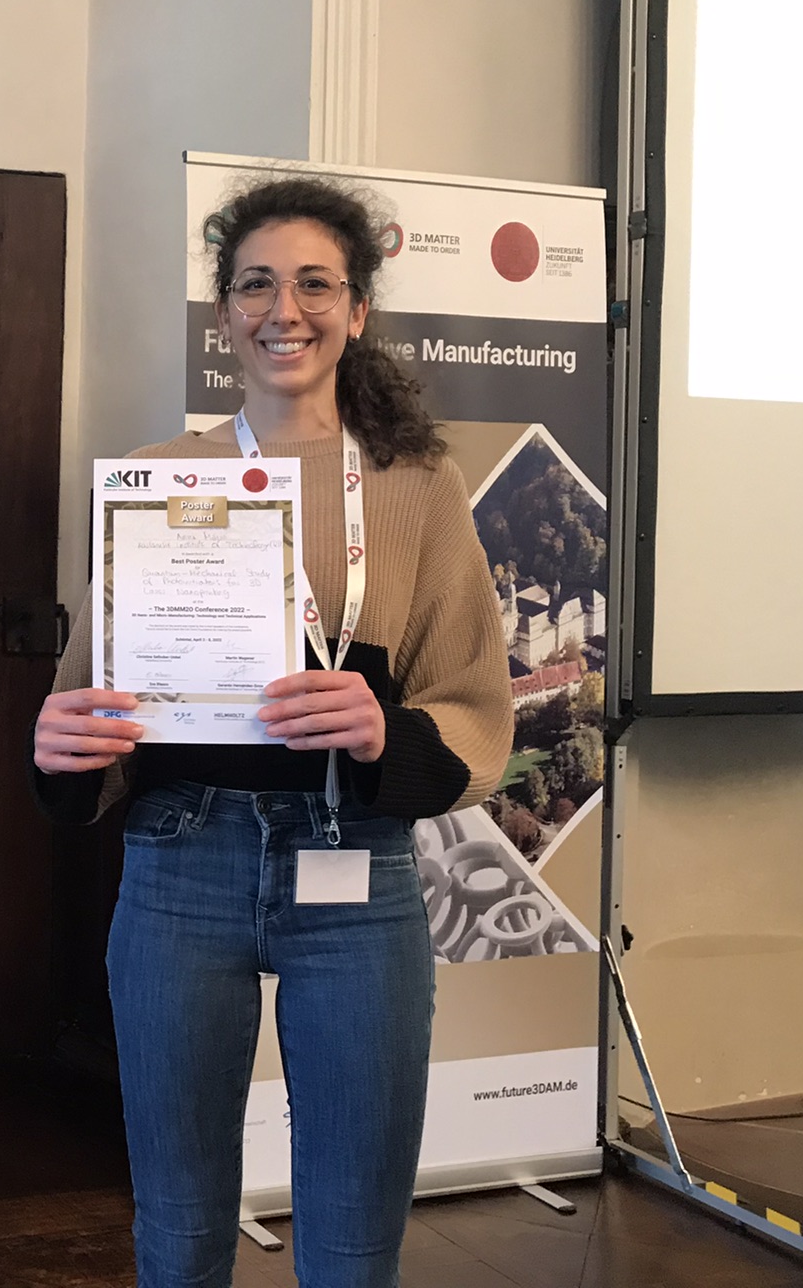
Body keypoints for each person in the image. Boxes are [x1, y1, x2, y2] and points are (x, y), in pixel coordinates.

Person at [32, 177, 513, 1288]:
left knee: (352, 1240)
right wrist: (58, 749)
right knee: (178, 1231)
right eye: (255, 284)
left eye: (313, 284)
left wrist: (384, 730)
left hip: (354, 867)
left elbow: (471, 697)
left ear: (356, 310)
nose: (282, 309)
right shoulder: (162, 477)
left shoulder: (417, 485)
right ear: (223, 316)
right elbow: (89, 699)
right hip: (178, 864)